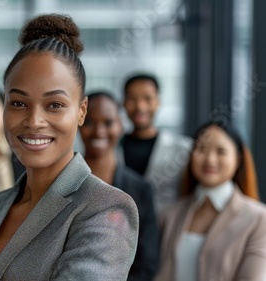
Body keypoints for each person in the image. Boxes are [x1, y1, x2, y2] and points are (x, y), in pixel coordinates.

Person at [0, 14, 139, 281]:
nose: (34, 121)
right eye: (19, 103)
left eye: (55, 105)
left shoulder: (105, 208)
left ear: (82, 111)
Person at [156, 121, 266, 281]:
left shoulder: (259, 219)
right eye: (201, 149)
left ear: (238, 159)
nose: (210, 160)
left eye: (221, 151)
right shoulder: (168, 214)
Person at [79, 91, 159, 281]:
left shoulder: (140, 189)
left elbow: (147, 263)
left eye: (108, 123)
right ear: (78, 123)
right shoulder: (62, 183)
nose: (99, 131)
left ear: (121, 125)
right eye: (89, 122)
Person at [119, 74, 192, 213]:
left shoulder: (183, 149)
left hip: (167, 231)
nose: (140, 106)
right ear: (123, 102)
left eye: (147, 99)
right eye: (132, 99)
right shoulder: (111, 148)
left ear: (158, 102)